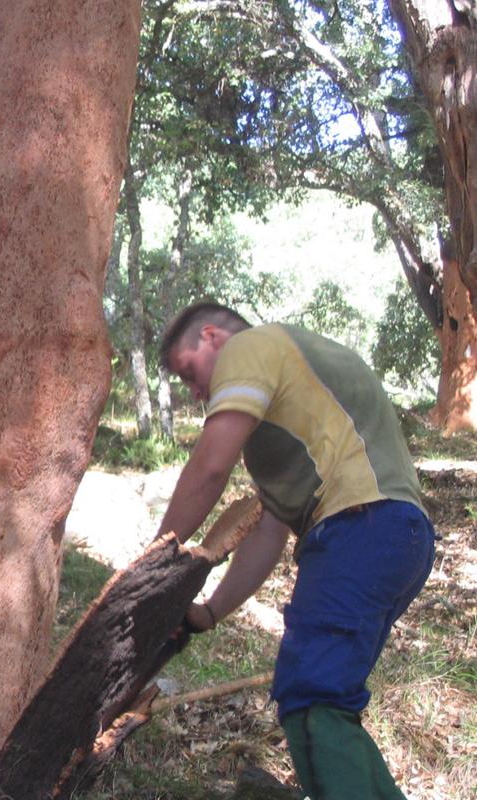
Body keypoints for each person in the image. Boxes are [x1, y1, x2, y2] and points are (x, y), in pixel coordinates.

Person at [155, 301, 435, 800]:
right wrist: (210, 612)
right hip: (397, 537)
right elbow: (269, 530)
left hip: (360, 528)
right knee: (325, 703)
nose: (196, 394)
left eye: (190, 374)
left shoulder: (250, 346)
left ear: (214, 337)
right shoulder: (287, 402)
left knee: (312, 700)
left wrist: (154, 566)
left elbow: (209, 468)